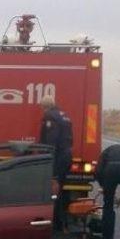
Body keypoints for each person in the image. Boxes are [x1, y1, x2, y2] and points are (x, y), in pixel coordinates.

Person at [39, 95, 73, 230]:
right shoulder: (64, 115)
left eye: (42, 108)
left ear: (45, 106)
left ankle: (55, 223)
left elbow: (50, 141)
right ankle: (61, 222)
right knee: (59, 188)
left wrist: (46, 159)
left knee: (53, 189)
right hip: (66, 156)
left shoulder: (50, 117)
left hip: (57, 158)